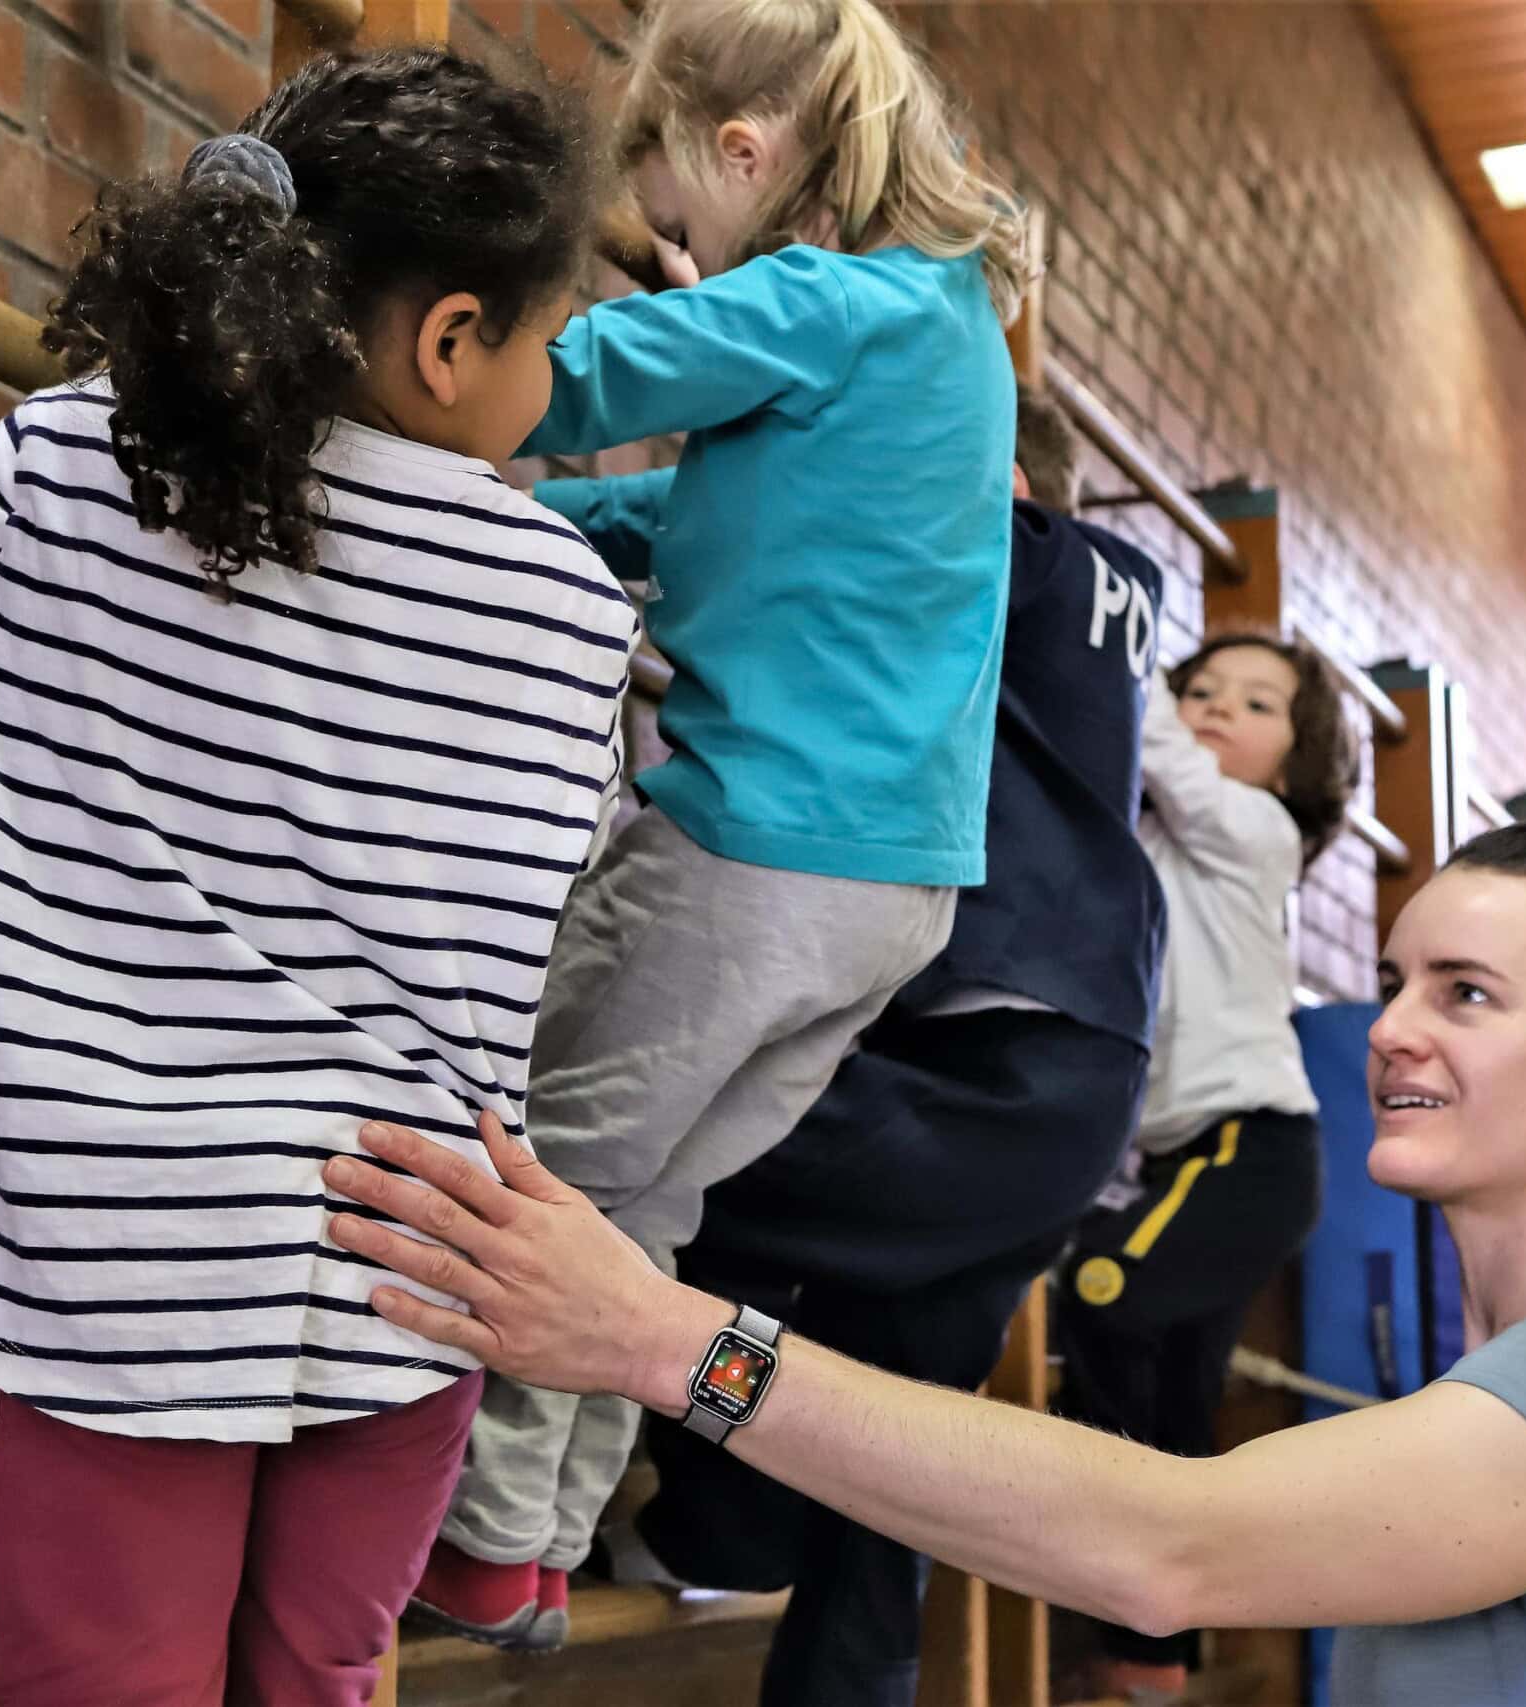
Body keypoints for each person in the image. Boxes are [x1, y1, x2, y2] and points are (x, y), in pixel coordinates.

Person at [0, 50, 628, 1707]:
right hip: (418, 1264)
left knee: (110, 1682)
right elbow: (561, 852)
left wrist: (47, 804)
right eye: (555, 335)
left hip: (123, 1250)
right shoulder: (570, 601)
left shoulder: (72, 461)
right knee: (323, 1672)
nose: (558, 370)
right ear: (453, 343)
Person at [329, 824, 1526, 1705]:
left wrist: (660, 1337)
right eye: (1396, 978)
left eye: (1466, 992)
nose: (1395, 1024)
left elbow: (1169, 1545)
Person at [414, 0, 1031, 1648]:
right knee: (651, 1210)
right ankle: (538, 1544)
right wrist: (578, 521)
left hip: (755, 858)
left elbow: (579, 375)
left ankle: (478, 1543)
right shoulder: (945, 325)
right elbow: (717, 510)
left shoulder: (821, 302)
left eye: (679, 219)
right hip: (890, 891)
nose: (681, 252)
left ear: (746, 155)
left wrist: (421, 351)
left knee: (542, 1168)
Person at [608, 392, 1170, 1707]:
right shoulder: (1096, 599)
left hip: (999, 1064)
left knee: (668, 1164)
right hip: (1061, 1073)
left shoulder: (1019, 547)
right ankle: (742, 1538)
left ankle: (708, 1515)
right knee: (888, 1446)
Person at [1049, 629, 1357, 1699]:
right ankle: (1153, 1658)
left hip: (1249, 1150)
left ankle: (1090, 1545)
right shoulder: (1157, 846)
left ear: (1296, 758)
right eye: (1200, 688)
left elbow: (1162, 755)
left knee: (1096, 1293)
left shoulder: (1259, 831)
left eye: (1256, 704)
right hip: (1193, 1157)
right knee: (1179, 1402)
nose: (1217, 706)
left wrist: (1125, 658)